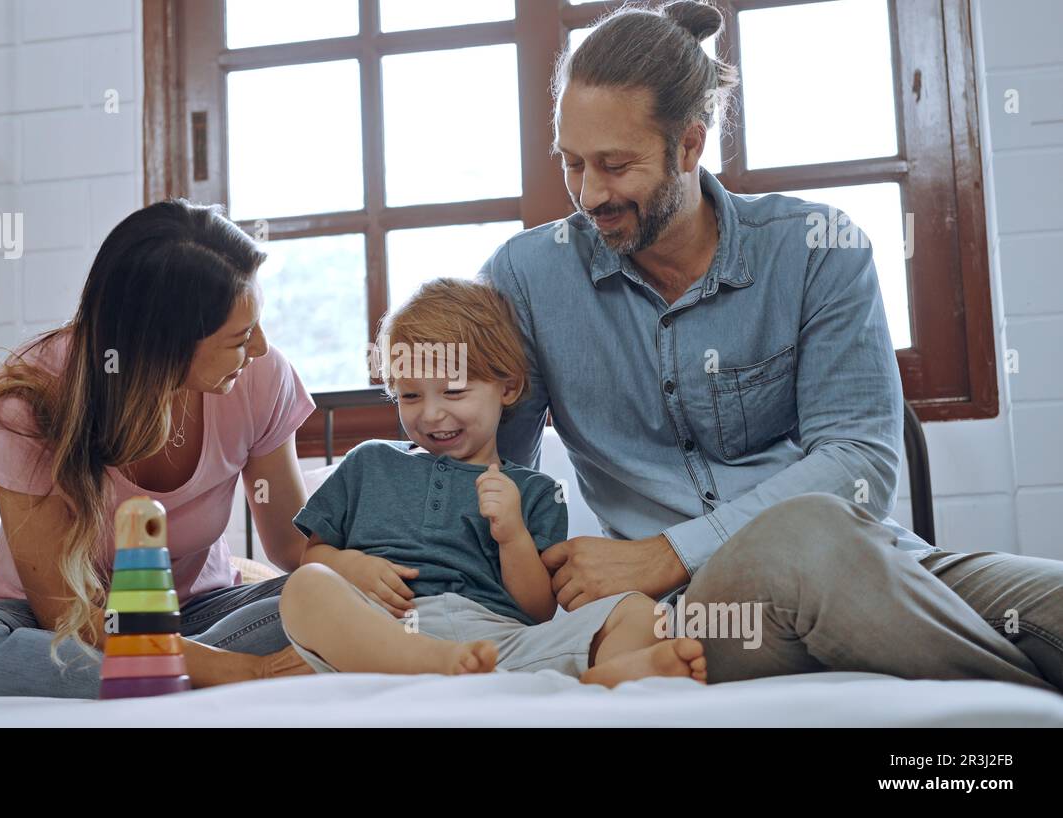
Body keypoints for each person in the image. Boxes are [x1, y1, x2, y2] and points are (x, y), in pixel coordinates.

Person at [478, 0, 1061, 691]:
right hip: (685, 616)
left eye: (615, 165)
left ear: (689, 146)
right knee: (799, 538)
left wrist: (667, 550)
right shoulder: (526, 277)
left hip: (865, 563)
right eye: (572, 163)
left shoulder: (817, 249)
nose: (587, 193)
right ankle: (1022, 705)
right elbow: (485, 471)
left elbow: (859, 466)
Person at [0, 200, 317, 697]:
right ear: (163, 343)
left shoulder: (261, 377)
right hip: (59, 625)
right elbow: (59, 606)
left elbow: (292, 548)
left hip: (196, 610)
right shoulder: (34, 396)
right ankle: (196, 672)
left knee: (335, 597)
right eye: (240, 337)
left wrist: (368, 569)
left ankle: (157, 671)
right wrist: (244, 671)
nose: (261, 348)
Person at [280, 278, 708, 686]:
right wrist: (349, 565)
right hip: (383, 637)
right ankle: (433, 667)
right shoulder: (368, 462)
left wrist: (512, 535)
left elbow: (538, 612)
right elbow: (312, 555)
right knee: (305, 588)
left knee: (638, 610)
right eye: (410, 395)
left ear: (507, 387)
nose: (430, 414)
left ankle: (612, 674)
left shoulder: (536, 490)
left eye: (453, 392)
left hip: (499, 645)